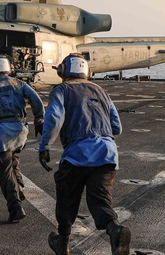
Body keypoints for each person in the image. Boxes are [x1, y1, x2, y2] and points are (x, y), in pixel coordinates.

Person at [38, 53, 131, 255]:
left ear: (63, 71)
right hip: (107, 154)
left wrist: (44, 146)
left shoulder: (61, 90)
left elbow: (54, 118)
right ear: (88, 72)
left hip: (77, 154)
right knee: (100, 201)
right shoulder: (102, 91)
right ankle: (115, 230)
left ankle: (63, 243)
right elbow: (117, 127)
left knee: (67, 198)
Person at [0, 56, 45, 223]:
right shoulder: (19, 83)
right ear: (9, 68)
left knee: (5, 171)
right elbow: (36, 100)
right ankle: (19, 184)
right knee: (13, 159)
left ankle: (15, 207)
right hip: (20, 131)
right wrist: (39, 119)